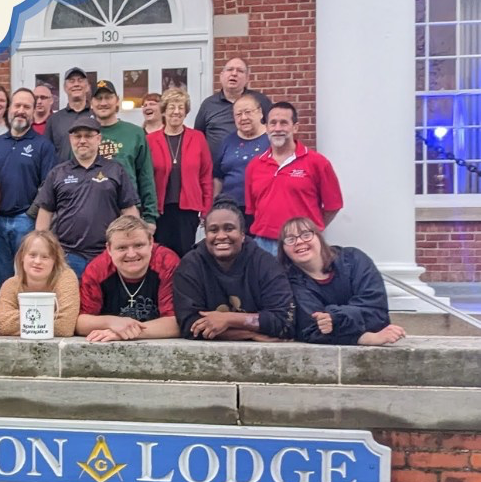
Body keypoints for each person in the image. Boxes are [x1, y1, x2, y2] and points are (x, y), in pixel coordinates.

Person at [172, 198, 295, 341]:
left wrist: (229, 319)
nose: (221, 236)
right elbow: (190, 326)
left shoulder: (265, 264)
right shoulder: (190, 266)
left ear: (243, 235)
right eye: (213, 230)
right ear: (206, 235)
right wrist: (249, 335)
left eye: (229, 228)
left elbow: (285, 321)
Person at [35, 118, 140, 278]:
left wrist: (131, 246)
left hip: (106, 254)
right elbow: (45, 213)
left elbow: (129, 210)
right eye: (77, 136)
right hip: (68, 255)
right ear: (71, 140)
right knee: (70, 301)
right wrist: (42, 248)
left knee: (104, 301)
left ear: (98, 139)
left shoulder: (115, 170)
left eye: (88, 136)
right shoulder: (58, 173)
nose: (82, 140)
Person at [278, 217, 406, 346]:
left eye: (306, 235)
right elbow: (311, 329)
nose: (299, 241)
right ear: (283, 249)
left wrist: (334, 317)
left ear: (319, 238)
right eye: (290, 239)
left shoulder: (354, 260)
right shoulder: (290, 282)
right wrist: (364, 338)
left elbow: (376, 312)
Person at [245, 102, 344, 255]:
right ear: (266, 128)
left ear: (295, 127)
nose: (277, 128)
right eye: (273, 123)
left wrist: (309, 233)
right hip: (263, 245)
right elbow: (252, 209)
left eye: (284, 123)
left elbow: (333, 205)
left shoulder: (317, 162)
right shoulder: (254, 166)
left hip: (302, 245)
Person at [0, 88, 57, 300]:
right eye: (17, 105)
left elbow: (48, 185)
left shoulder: (43, 145)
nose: (21, 110)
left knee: (28, 274)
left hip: (25, 221)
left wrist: (32, 216)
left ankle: (23, 318)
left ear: (34, 111)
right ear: (9, 109)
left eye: (27, 107)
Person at [76, 216, 180, 342]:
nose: (131, 254)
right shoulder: (97, 269)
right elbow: (80, 323)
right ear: (109, 249)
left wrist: (123, 333)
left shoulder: (166, 262)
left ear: (151, 243)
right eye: (122, 248)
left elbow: (176, 323)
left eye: (139, 245)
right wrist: (112, 322)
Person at [148, 88, 213, 258]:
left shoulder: (198, 138)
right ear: (163, 111)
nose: (176, 112)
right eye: (171, 107)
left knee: (186, 256)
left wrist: (206, 209)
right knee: (160, 256)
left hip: (188, 210)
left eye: (181, 108)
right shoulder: (150, 140)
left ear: (186, 112)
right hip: (160, 211)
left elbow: (205, 175)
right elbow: (145, 178)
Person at [91, 80, 158, 230]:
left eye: (108, 97)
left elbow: (146, 176)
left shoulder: (135, 133)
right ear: (91, 103)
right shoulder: (83, 135)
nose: (103, 102)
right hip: (92, 212)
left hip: (128, 211)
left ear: (117, 101)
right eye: (98, 98)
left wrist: (150, 216)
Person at [0, 231, 79, 337]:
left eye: (45, 257)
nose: (38, 261)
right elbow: (3, 325)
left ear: (55, 261)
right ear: (22, 257)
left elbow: (64, 327)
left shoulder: (66, 278)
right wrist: (50, 318)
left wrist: (23, 321)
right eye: (32, 255)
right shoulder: (10, 285)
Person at [194, 58, 273, 162]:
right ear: (221, 76)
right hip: (218, 172)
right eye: (230, 69)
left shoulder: (260, 101)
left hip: (257, 168)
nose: (234, 74)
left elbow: (274, 129)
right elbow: (197, 138)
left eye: (240, 71)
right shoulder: (208, 105)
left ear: (247, 78)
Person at [213, 92, 270, 233]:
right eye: (238, 114)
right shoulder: (227, 142)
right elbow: (218, 177)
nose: (243, 118)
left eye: (248, 112)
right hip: (231, 209)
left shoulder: (272, 139)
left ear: (260, 113)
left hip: (263, 209)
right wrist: (213, 206)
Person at [44, 67, 93, 161]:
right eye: (71, 81)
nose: (76, 84)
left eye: (80, 80)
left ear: (87, 86)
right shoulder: (54, 120)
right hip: (62, 174)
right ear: (65, 88)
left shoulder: (96, 117)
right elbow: (47, 154)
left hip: (93, 173)